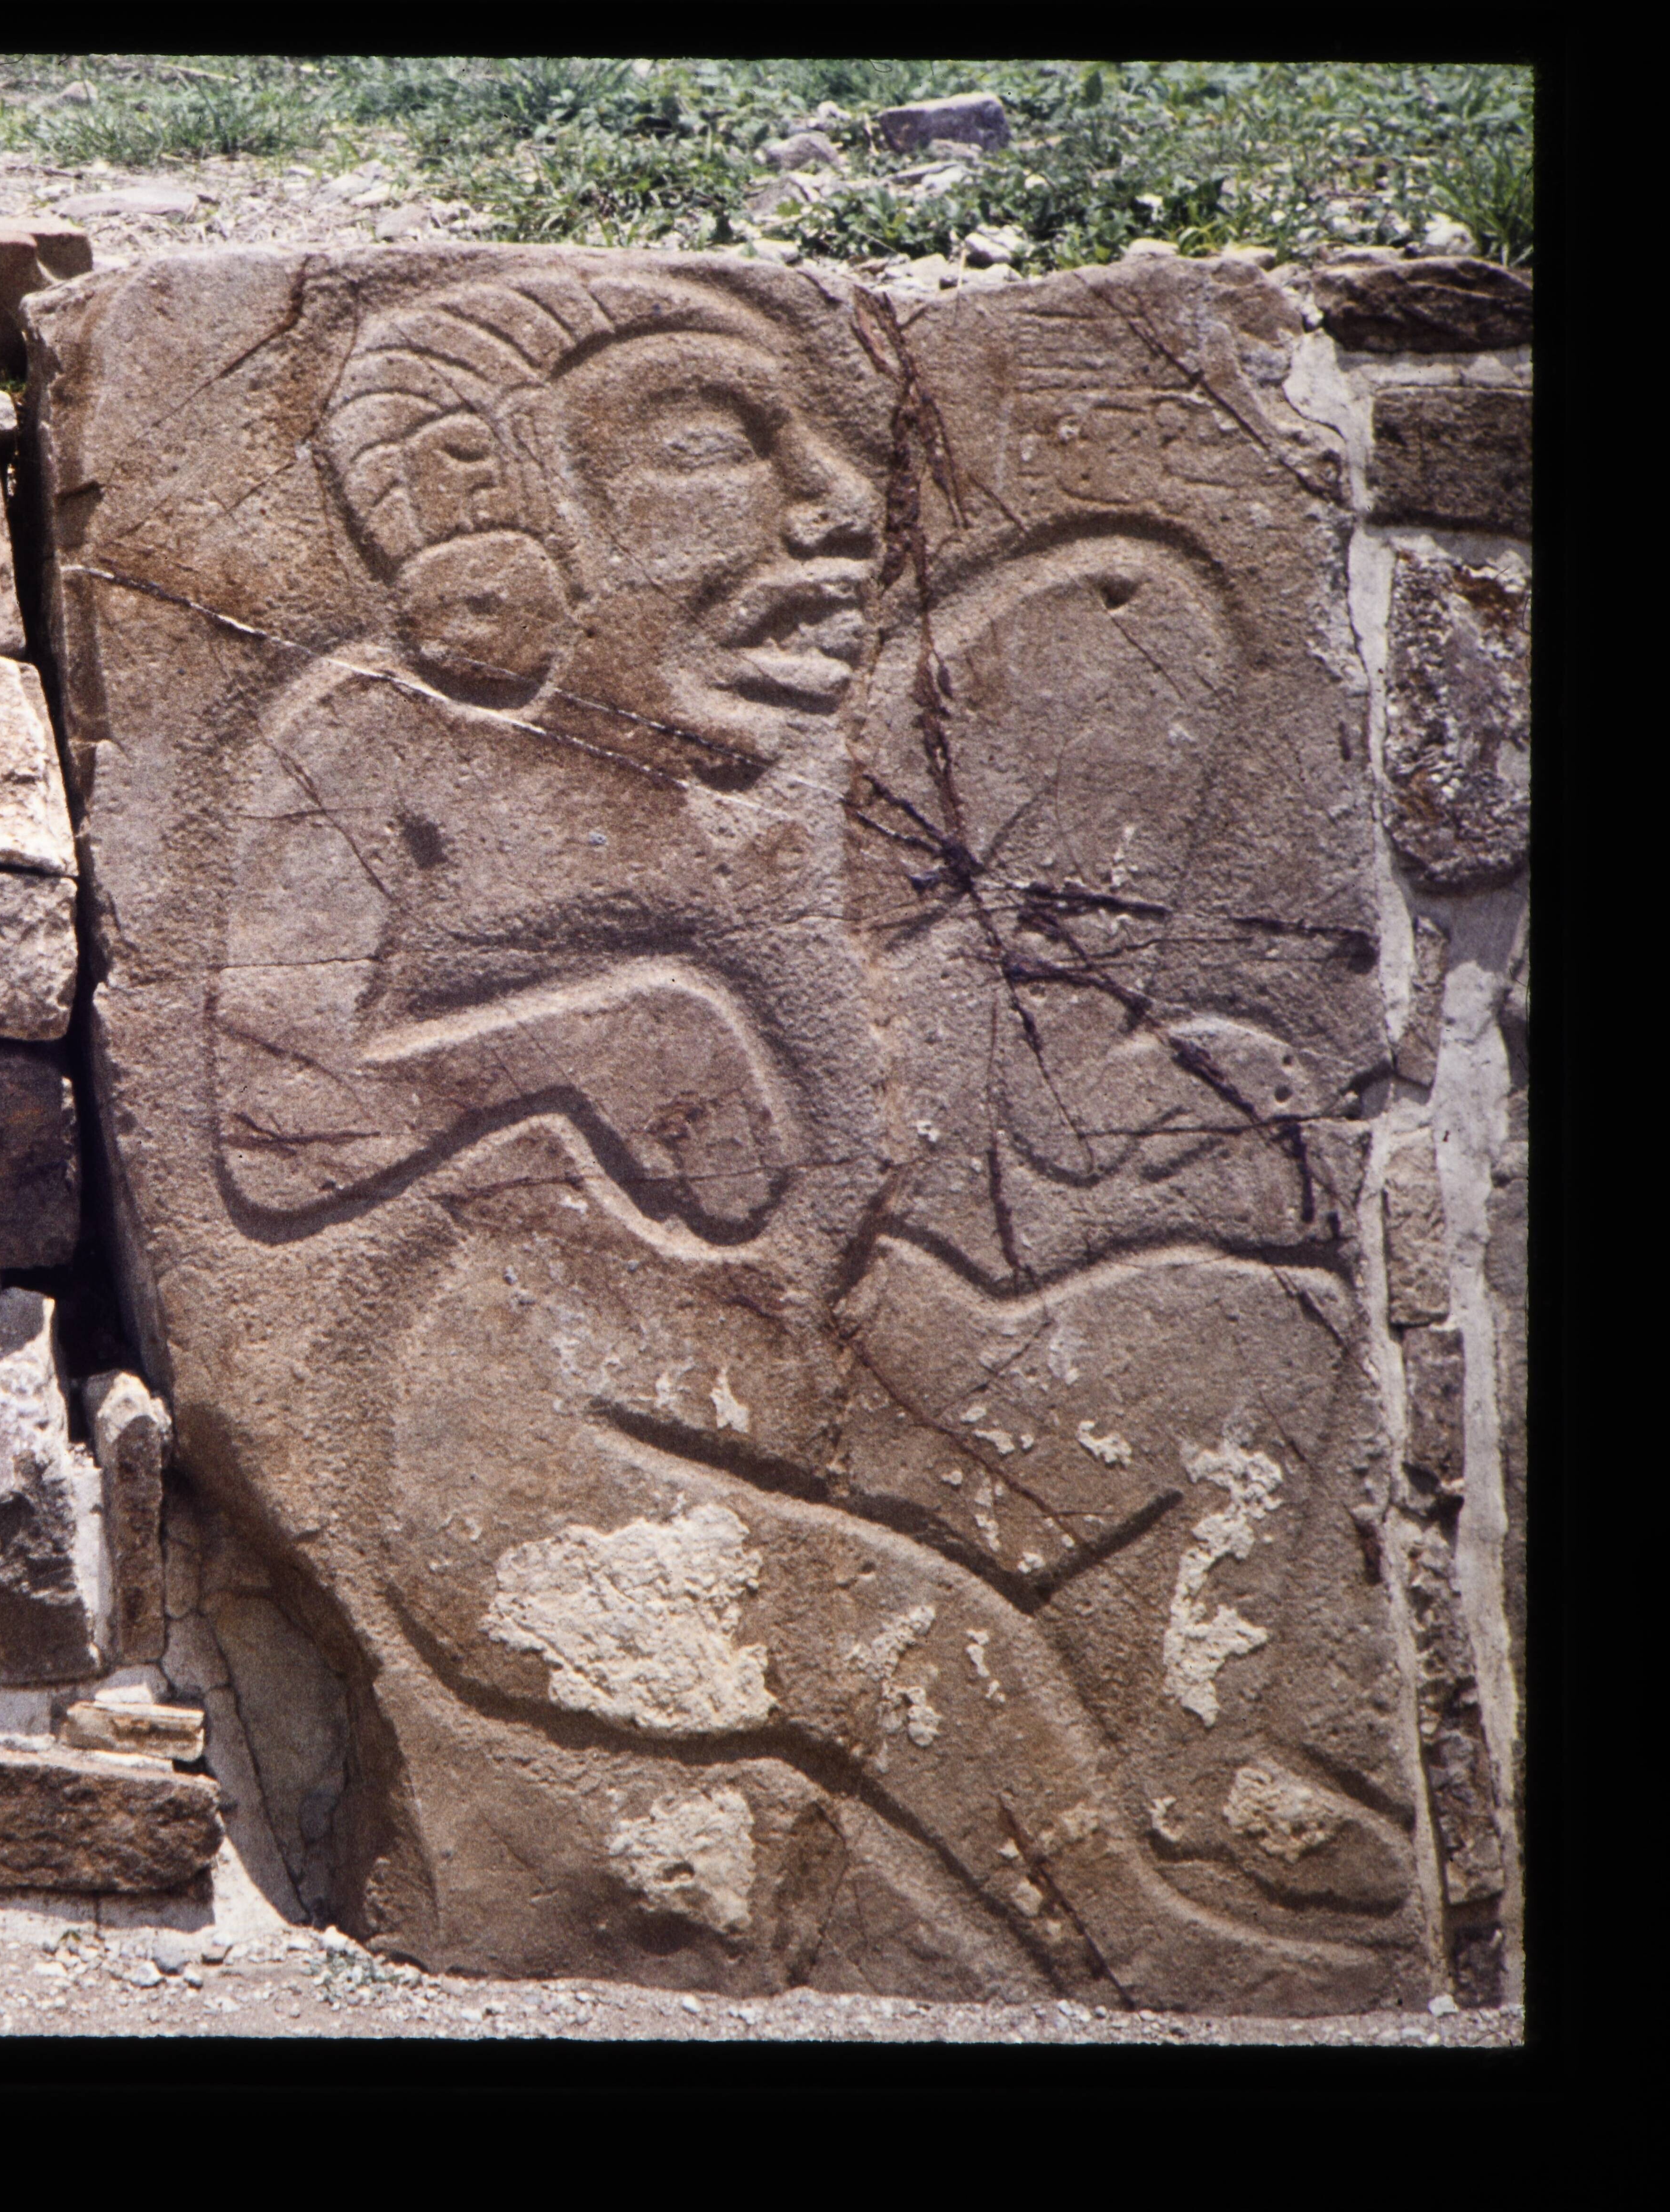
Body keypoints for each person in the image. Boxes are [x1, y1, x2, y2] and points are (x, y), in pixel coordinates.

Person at [205, 264, 1405, 2009]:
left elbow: (1111, 649)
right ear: (499, 508)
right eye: (714, 445)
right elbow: (275, 1120)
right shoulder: (378, 745)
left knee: (1263, 1336)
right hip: (522, 1434)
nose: (834, 501)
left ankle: (1207, 1770)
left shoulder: (795, 780)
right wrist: (604, 1040)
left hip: (826, 1351)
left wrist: (1130, 1109)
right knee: (945, 1648)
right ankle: (1131, 1939)